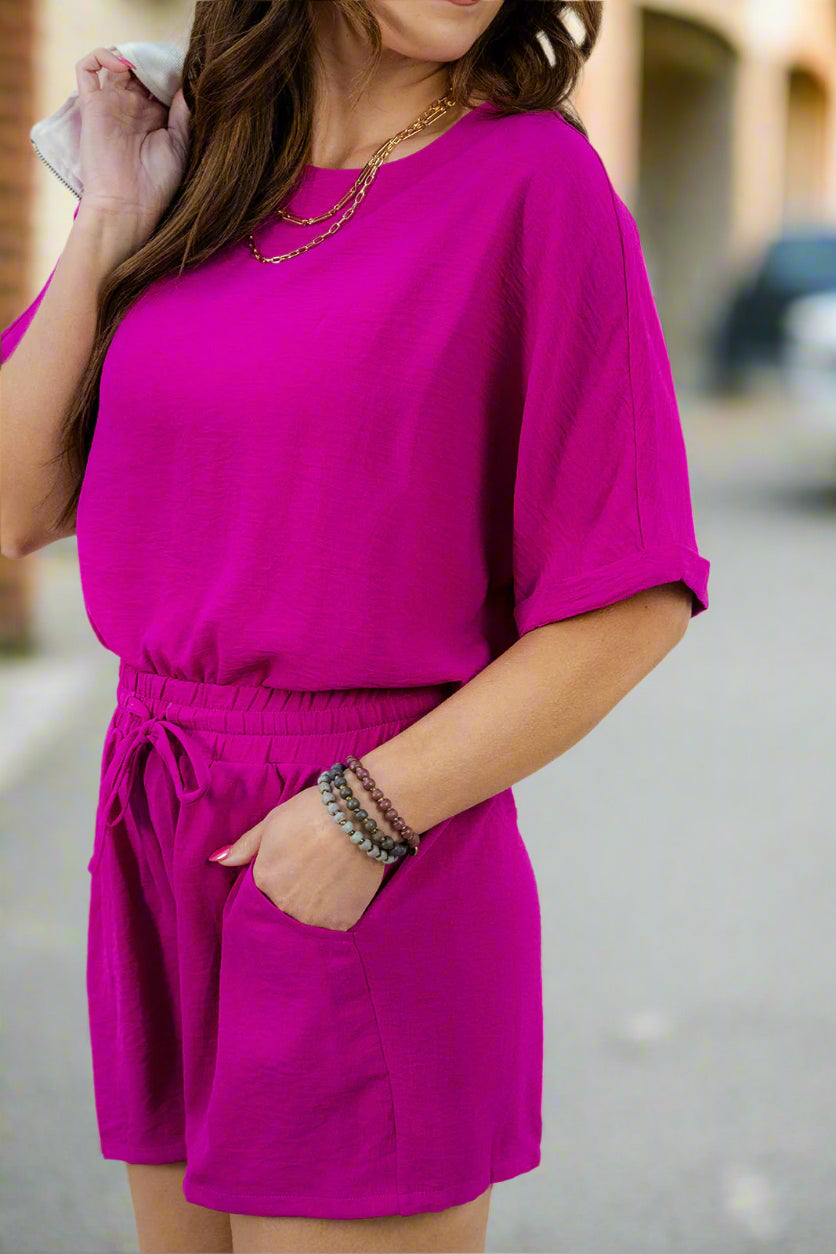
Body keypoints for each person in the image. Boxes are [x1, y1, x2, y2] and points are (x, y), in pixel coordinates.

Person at [1, 1, 711, 1251]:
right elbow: (18, 503)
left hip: (367, 842)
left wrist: (361, 816)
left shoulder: (532, 182)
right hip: (159, 824)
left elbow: (630, 595)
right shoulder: (207, 174)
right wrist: (109, 218)